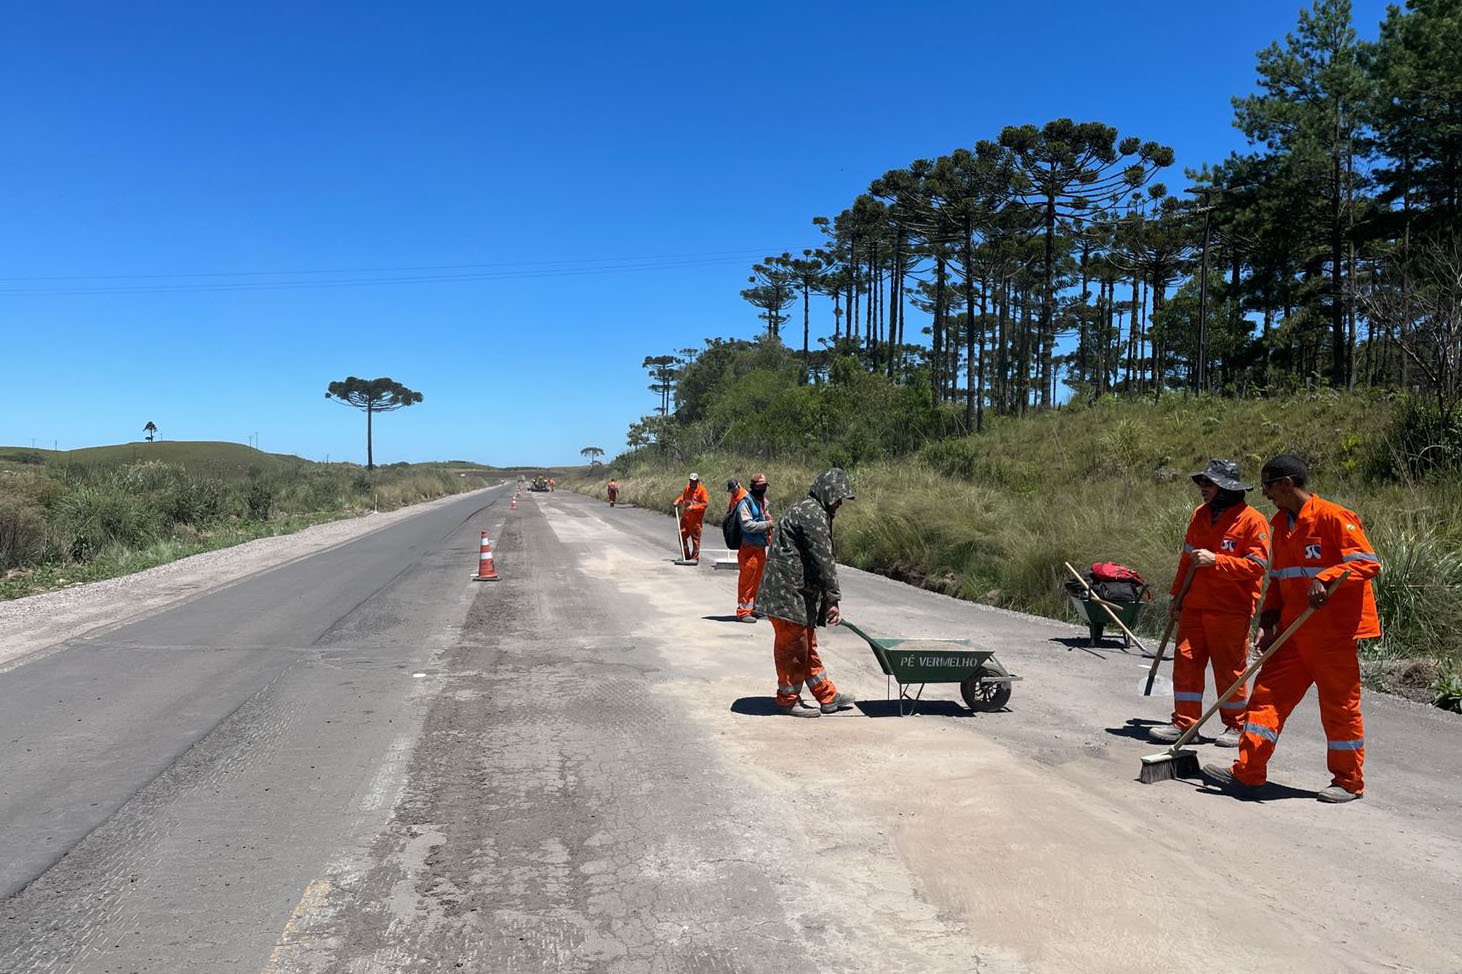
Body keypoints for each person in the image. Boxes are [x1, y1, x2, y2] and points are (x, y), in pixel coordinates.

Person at [1204, 454, 1382, 804]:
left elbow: (1367, 562)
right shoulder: (1281, 526)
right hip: (1292, 633)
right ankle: (1248, 772)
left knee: (1339, 708)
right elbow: (1279, 579)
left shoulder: (1334, 517)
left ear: (1287, 483)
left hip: (1333, 636)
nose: (1266, 493)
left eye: (1269, 485)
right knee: (1265, 698)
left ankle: (1348, 781)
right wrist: (1268, 619)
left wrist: (1325, 578)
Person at [1149, 459, 1270, 748]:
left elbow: (1257, 566)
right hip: (1194, 605)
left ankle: (1235, 724)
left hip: (1230, 610)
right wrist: (1176, 597)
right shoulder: (1199, 516)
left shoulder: (1253, 521)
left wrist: (1217, 561)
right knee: (1186, 662)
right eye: (1202, 483)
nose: (1203, 488)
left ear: (1226, 488)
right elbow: (1186, 561)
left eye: (1209, 484)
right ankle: (1185, 724)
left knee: (1229, 670)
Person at [755, 468, 857, 717]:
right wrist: (833, 599)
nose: (840, 504)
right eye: (838, 498)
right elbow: (823, 560)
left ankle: (826, 695)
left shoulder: (810, 509)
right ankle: (788, 699)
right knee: (792, 648)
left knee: (806, 645)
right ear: (827, 493)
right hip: (787, 594)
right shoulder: (813, 514)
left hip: (796, 594)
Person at [732, 473, 774, 622]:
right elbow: (747, 525)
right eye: (760, 487)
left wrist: (768, 519)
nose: (763, 489)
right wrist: (767, 524)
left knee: (759, 580)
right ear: (753, 487)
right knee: (747, 581)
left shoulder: (763, 502)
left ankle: (755, 608)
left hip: (760, 548)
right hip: (748, 548)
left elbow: (764, 516)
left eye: (764, 487)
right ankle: (743, 611)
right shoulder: (745, 503)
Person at [673, 472, 709, 561]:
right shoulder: (687, 488)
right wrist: (678, 500)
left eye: (694, 481)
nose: (692, 483)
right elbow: (684, 496)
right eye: (691, 481)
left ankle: (694, 557)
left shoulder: (702, 490)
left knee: (695, 540)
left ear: (697, 481)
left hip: (696, 520)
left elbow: (705, 504)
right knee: (682, 536)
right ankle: (686, 555)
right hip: (686, 519)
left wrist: (693, 507)